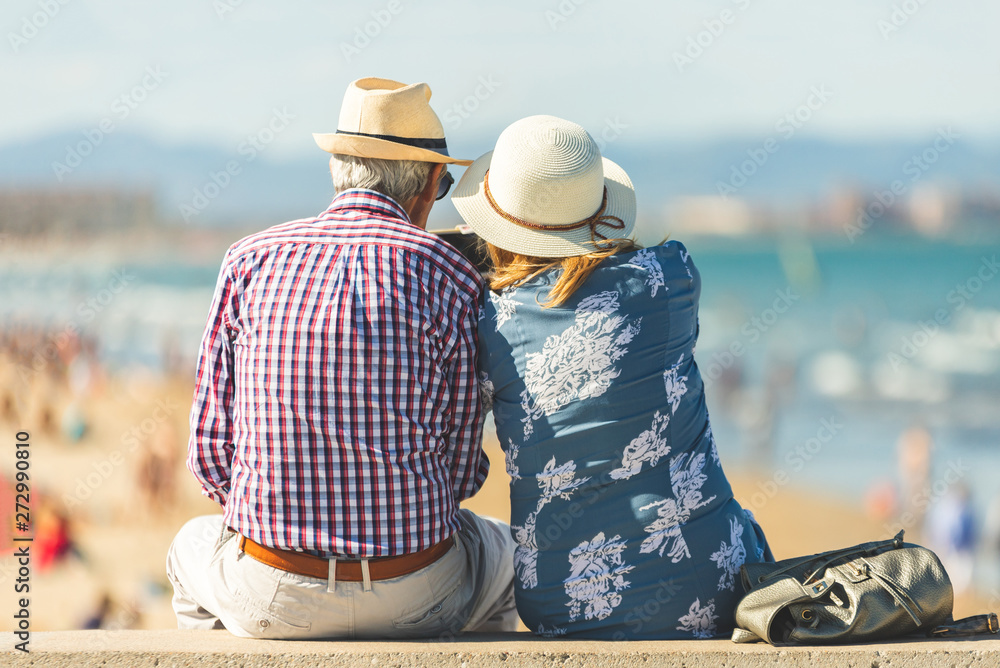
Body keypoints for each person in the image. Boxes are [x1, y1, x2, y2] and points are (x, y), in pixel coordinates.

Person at [167, 78, 517, 639]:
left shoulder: (248, 260)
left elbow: (210, 459)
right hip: (417, 590)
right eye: (445, 181)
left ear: (338, 169)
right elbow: (460, 475)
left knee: (189, 546)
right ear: (428, 184)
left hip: (272, 593)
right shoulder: (451, 277)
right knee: (503, 552)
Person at [452, 115, 772, 639]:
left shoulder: (489, 322)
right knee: (743, 525)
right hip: (706, 582)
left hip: (560, 602)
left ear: (496, 226)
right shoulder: (670, 277)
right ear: (598, 207)